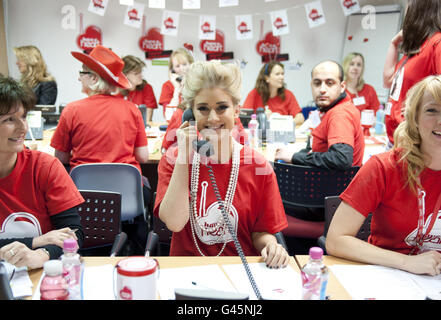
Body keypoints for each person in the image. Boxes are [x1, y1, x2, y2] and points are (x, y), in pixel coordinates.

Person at [154, 60, 289, 268]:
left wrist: (271, 245)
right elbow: (174, 222)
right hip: (187, 270)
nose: (213, 117)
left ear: (236, 110)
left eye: (222, 107)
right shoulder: (173, 160)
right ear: (190, 114)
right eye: (203, 109)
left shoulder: (257, 165)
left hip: (240, 269)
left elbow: (261, 231)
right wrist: (184, 155)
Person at [326, 75, 441, 276]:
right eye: (432, 110)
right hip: (387, 276)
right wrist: (406, 262)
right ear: (414, 117)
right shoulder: (383, 168)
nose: (440, 121)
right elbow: (336, 240)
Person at [0, 76, 84, 270]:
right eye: (9, 119)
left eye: (23, 117)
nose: (23, 128)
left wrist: (41, 254)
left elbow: (74, 234)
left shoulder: (44, 166)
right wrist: (37, 241)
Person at [50, 45, 149, 173]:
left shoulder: (71, 110)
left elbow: (61, 157)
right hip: (126, 189)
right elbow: (143, 156)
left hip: (84, 189)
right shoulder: (132, 110)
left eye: (82, 72)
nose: (79, 78)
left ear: (94, 78)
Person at [275, 60, 365, 171]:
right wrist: (294, 155)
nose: (322, 90)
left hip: (329, 187)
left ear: (342, 87)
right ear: (311, 85)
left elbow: (341, 159)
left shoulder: (339, 114)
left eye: (330, 83)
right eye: (317, 83)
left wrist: (294, 157)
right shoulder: (331, 109)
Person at [383, 0, 441, 146]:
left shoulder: (437, 42)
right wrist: (393, 44)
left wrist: (418, 103)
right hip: (396, 139)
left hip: (414, 143)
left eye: (409, 5)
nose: (407, 9)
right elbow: (388, 80)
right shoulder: (417, 48)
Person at [242, 61, 304, 126]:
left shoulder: (288, 94)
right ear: (267, 78)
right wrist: (261, 118)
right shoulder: (254, 94)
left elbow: (300, 118)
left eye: (282, 74)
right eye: (277, 74)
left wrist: (285, 122)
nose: (282, 77)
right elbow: (244, 117)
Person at [118, 55, 158, 122]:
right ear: (125, 75)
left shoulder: (147, 88)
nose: (141, 76)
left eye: (140, 72)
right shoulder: (117, 91)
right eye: (136, 73)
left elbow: (147, 119)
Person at [159, 48, 194, 122]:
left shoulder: (197, 83)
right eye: (177, 66)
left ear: (191, 64)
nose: (182, 68)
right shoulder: (167, 86)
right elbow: (169, 118)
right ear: (172, 70)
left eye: (184, 64)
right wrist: (177, 89)